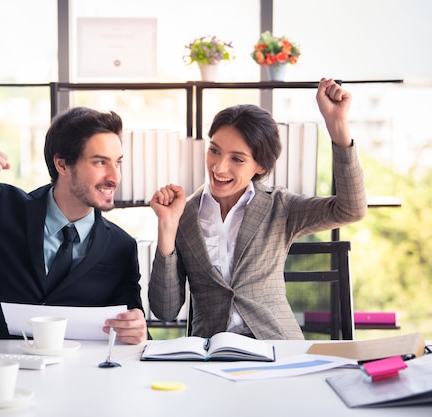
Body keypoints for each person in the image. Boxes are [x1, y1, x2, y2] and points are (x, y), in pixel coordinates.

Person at [148, 78, 367, 340]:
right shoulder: (183, 213)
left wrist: (337, 126)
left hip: (275, 345)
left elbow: (351, 209)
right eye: (215, 151)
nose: (219, 168)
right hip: (211, 351)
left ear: (260, 167)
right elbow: (165, 311)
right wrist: (167, 229)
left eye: (237, 159)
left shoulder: (280, 207)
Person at [0, 107, 148, 344]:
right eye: (101, 162)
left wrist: (137, 330)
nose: (115, 177)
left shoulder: (122, 247)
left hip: (75, 377)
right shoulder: (0, 207)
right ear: (62, 165)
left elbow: (132, 328)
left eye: (118, 163)